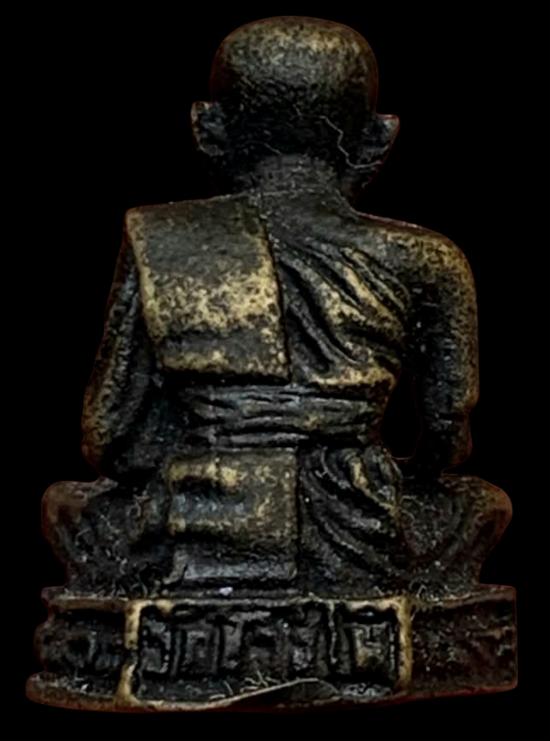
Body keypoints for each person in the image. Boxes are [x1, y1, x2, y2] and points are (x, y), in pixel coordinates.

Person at [43, 16, 510, 598]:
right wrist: (389, 470)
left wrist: (215, 441)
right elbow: (447, 433)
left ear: (207, 127)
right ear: (379, 138)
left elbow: (108, 437)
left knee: (67, 505)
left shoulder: (168, 239)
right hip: (360, 521)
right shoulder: (425, 257)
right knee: (481, 505)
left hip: (196, 509)